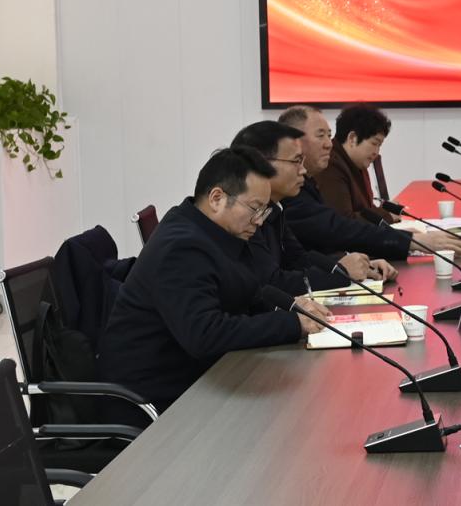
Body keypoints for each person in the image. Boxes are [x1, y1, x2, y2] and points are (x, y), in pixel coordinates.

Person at [98, 148, 329, 415]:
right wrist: (291, 324)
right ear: (217, 198)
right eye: (254, 209)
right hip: (154, 403)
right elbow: (205, 334)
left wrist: (292, 306)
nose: (259, 221)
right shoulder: (181, 247)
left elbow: (249, 292)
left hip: (198, 381)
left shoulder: (214, 234)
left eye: (264, 211)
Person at [278, 105, 461, 261]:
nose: (328, 143)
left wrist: (346, 264)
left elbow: (343, 224)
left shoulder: (313, 179)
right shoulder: (318, 176)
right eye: (321, 136)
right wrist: (413, 241)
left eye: (329, 135)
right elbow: (339, 227)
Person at [231, 121, 396, 295]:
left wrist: (353, 266)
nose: (303, 170)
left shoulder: (275, 208)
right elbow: (272, 282)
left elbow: (299, 260)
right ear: (262, 163)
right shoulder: (243, 216)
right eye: (296, 161)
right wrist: (342, 273)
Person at [316, 103, 400, 225]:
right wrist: (387, 216)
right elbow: (343, 221)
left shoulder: (357, 162)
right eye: (374, 143)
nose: (376, 152)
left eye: (379, 146)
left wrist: (386, 212)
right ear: (352, 138)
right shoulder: (330, 165)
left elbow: (365, 209)